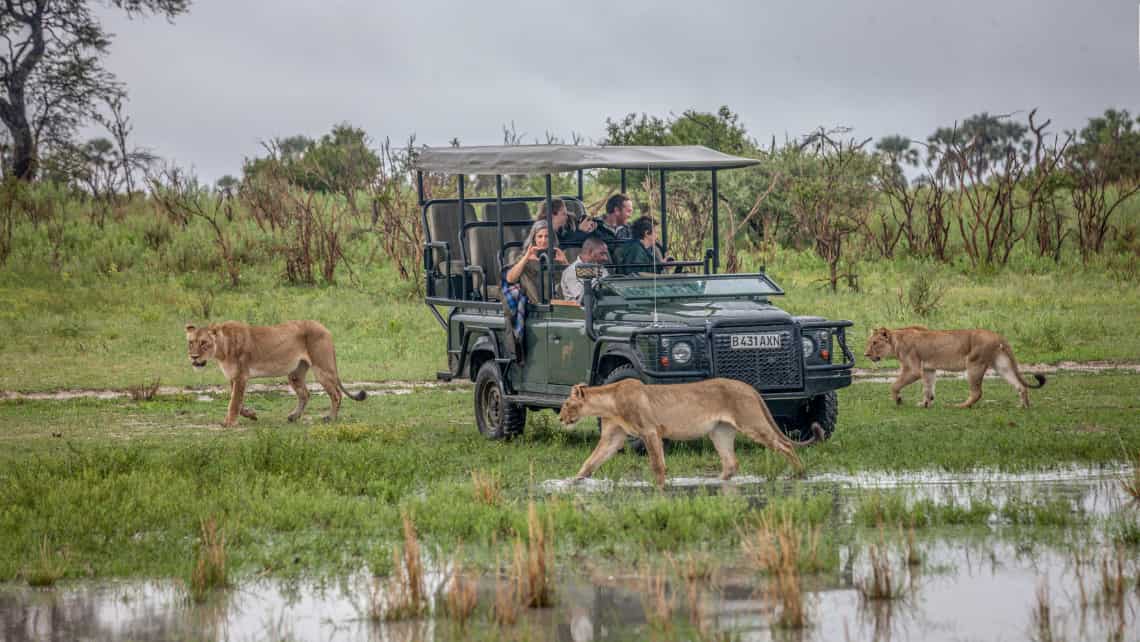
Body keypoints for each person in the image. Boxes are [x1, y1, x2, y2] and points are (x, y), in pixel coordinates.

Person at [504, 219, 568, 302]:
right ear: (534, 239)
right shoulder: (524, 257)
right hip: (535, 299)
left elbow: (571, 281)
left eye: (547, 236)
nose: (543, 240)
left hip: (557, 297)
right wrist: (526, 258)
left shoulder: (557, 255)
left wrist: (564, 262)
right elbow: (510, 279)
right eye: (540, 236)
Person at [560, 235, 611, 303]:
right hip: (579, 312)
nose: (605, 258)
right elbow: (583, 298)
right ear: (589, 252)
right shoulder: (572, 271)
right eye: (602, 254)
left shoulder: (600, 268)